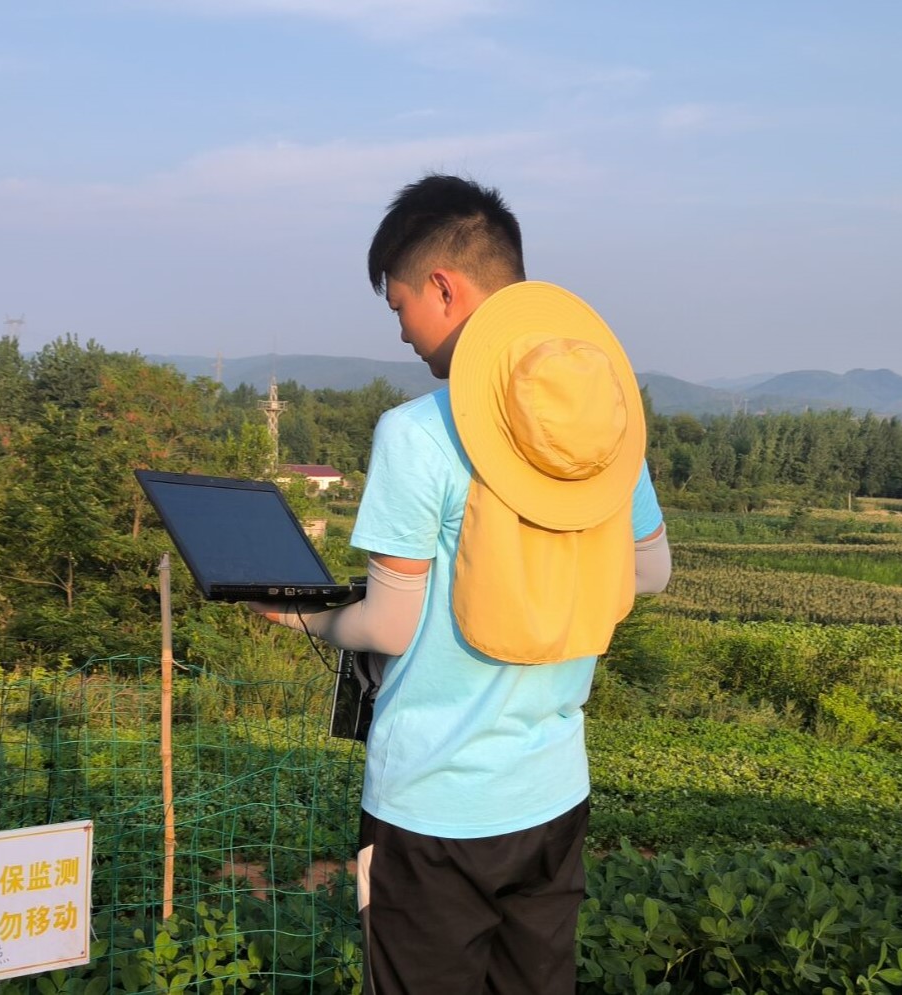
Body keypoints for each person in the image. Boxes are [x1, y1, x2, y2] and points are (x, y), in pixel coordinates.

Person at [249, 174, 671, 994]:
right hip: (552, 793)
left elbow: (389, 627)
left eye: (400, 304)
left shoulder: (415, 433)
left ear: (443, 287)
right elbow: (650, 569)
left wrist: (306, 620)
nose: (403, 331)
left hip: (432, 807)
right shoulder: (602, 419)